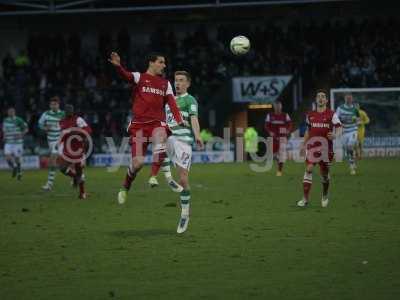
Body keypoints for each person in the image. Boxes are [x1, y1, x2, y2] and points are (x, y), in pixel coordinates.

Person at [108, 52, 183, 204]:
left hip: (157, 123)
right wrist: (118, 67)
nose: (164, 65)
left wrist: (179, 119)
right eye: (161, 62)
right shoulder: (139, 77)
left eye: (164, 63)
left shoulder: (165, 83)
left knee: (161, 135)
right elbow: (126, 76)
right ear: (151, 63)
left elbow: (172, 103)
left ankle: (153, 176)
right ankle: (125, 186)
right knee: (137, 164)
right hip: (140, 126)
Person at [164, 71, 203, 233]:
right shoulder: (168, 102)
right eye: (176, 80)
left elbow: (194, 118)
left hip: (183, 143)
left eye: (181, 81)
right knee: (160, 138)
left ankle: (185, 214)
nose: (177, 83)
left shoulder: (190, 100)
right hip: (170, 140)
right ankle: (167, 176)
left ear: (188, 84)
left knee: (183, 179)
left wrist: (198, 135)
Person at [297, 90, 342, 208]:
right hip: (313, 147)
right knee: (309, 169)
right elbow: (308, 131)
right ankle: (305, 199)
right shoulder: (310, 115)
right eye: (318, 97)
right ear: (316, 100)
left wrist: (335, 135)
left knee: (325, 175)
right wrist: (303, 144)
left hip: (327, 149)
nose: (320, 98)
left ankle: (325, 194)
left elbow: (339, 127)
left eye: (323, 97)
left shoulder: (332, 114)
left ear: (326, 100)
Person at [58, 104, 92, 199]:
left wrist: (77, 132)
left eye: (71, 110)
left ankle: (82, 193)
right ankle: (75, 177)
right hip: (67, 149)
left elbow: (88, 130)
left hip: (78, 150)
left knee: (79, 171)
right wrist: (60, 142)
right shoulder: (62, 122)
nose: (69, 112)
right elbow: (62, 135)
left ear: (73, 111)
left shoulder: (78, 120)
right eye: (67, 110)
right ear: (65, 112)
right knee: (62, 168)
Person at [38, 96, 65, 190]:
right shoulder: (46, 114)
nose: (54, 106)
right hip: (51, 141)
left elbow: (68, 124)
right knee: (62, 164)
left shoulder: (63, 114)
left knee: (53, 160)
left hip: (61, 141)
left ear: (58, 105)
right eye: (52, 104)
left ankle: (49, 184)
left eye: (55, 104)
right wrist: (45, 128)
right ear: (50, 105)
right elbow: (40, 124)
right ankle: (77, 176)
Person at [264, 101, 293, 176]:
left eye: (279, 106)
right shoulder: (270, 115)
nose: (278, 108)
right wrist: (270, 132)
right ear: (274, 107)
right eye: (276, 106)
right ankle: (278, 158)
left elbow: (290, 124)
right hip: (273, 137)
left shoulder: (285, 115)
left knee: (281, 154)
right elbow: (266, 125)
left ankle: (279, 171)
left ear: (281, 107)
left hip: (282, 137)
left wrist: (288, 130)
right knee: (273, 154)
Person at [336, 93, 360, 175]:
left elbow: (358, 119)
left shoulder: (355, 109)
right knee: (347, 149)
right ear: (345, 99)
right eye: (347, 98)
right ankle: (352, 162)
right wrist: (339, 124)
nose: (349, 99)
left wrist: (356, 120)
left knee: (350, 145)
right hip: (343, 131)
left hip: (353, 130)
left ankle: (352, 164)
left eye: (350, 98)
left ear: (352, 99)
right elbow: (336, 119)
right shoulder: (340, 108)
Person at [2, 107, 28, 180]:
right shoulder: (5, 120)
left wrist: (21, 134)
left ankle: (19, 173)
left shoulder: (19, 120)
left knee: (17, 158)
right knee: (7, 157)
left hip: (18, 143)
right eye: (9, 112)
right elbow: (4, 130)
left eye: (12, 112)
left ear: (14, 112)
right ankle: (14, 167)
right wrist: (4, 136)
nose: (10, 113)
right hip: (8, 142)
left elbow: (26, 129)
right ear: (8, 113)